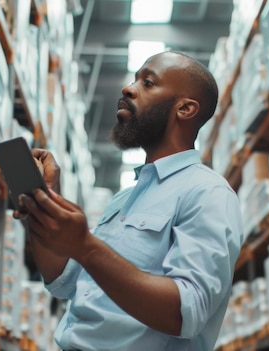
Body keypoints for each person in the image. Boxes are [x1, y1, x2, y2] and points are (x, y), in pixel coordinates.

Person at [17, 51, 244, 351]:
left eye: (148, 82)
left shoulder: (208, 193)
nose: (128, 88)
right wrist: (43, 205)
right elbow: (65, 280)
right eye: (135, 78)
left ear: (186, 108)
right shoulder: (125, 199)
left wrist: (85, 245)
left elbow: (185, 312)